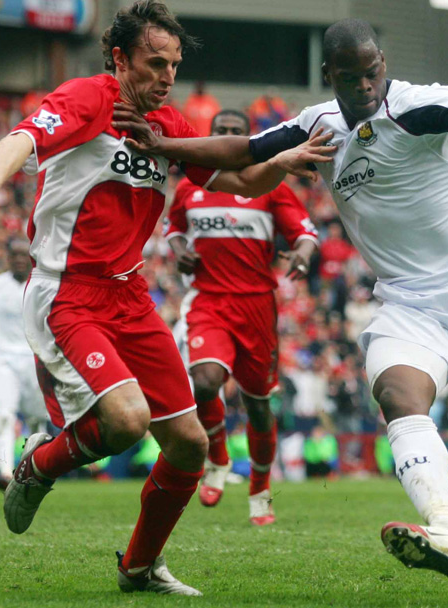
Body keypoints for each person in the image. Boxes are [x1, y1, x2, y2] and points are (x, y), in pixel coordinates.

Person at [111, 17, 448, 583]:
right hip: (410, 300)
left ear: (382, 66)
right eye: (349, 78)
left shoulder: (416, 106)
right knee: (397, 393)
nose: (364, 87)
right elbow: (245, 150)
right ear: (329, 75)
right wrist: (164, 143)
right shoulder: (319, 123)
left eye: (371, 73)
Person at [0, 0, 331, 596]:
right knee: (125, 422)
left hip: (131, 296)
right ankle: (38, 464)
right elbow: (22, 136)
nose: (166, 77)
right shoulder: (91, 98)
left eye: (173, 65)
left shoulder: (169, 126)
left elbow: (242, 181)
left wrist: (283, 161)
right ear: (120, 59)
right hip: (68, 295)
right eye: (154, 63)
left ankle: (139, 568)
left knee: (190, 445)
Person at [166, 108, 319, 525]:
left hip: (256, 307)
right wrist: (180, 251)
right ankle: (217, 457)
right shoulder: (189, 187)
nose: (229, 137)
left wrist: (303, 257)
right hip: (208, 301)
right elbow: (174, 230)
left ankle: (260, 487)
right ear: (211, 138)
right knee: (204, 382)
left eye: (236, 133)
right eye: (222, 132)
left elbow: (304, 233)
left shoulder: (269, 184)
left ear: (246, 138)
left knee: (257, 407)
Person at [0, 238, 49, 491]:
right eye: (13, 254)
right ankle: (4, 472)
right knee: (4, 415)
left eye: (22, 254)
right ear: (6, 257)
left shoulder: (43, 286)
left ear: (31, 256)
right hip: (2, 360)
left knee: (37, 420)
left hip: (35, 359)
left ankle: (29, 469)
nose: (18, 259)